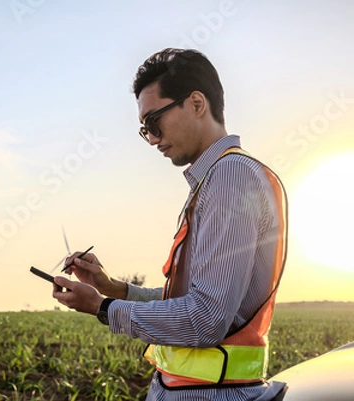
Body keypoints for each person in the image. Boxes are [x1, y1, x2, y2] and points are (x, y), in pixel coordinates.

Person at [52, 48, 288, 401]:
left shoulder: (230, 177)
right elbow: (190, 299)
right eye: (144, 129)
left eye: (154, 122)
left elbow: (206, 317)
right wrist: (112, 288)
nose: (152, 138)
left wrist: (101, 307)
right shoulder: (215, 180)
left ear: (196, 103)